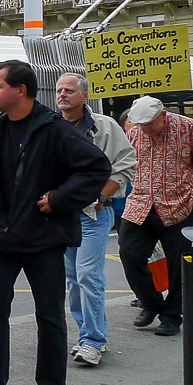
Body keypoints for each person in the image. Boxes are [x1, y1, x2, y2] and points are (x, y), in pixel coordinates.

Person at [0, 61, 110, 385]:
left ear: (21, 91)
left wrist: (59, 199)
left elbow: (97, 167)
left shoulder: (54, 129)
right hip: (0, 237)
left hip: (43, 238)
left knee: (49, 314)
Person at [54, 74, 136, 367]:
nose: (63, 94)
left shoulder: (104, 126)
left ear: (84, 96)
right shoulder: (51, 127)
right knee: (73, 279)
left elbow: (126, 163)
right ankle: (86, 335)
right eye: (60, 90)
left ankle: (93, 340)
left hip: (93, 214)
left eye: (69, 90)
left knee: (88, 275)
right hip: (62, 216)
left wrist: (103, 197)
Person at [119, 95, 193, 337]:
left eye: (150, 124)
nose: (146, 130)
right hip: (140, 204)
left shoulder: (188, 127)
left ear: (163, 114)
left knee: (177, 262)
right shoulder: (134, 133)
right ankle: (151, 303)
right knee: (129, 254)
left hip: (178, 204)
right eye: (141, 125)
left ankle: (172, 316)